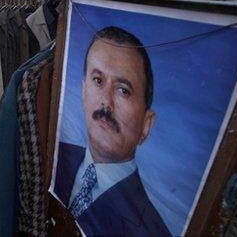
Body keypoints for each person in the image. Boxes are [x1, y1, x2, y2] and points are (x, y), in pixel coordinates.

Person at [53, 26, 171, 236]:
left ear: (146, 124)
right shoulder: (55, 153)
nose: (105, 102)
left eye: (123, 90)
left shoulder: (149, 229)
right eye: (98, 81)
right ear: (83, 90)